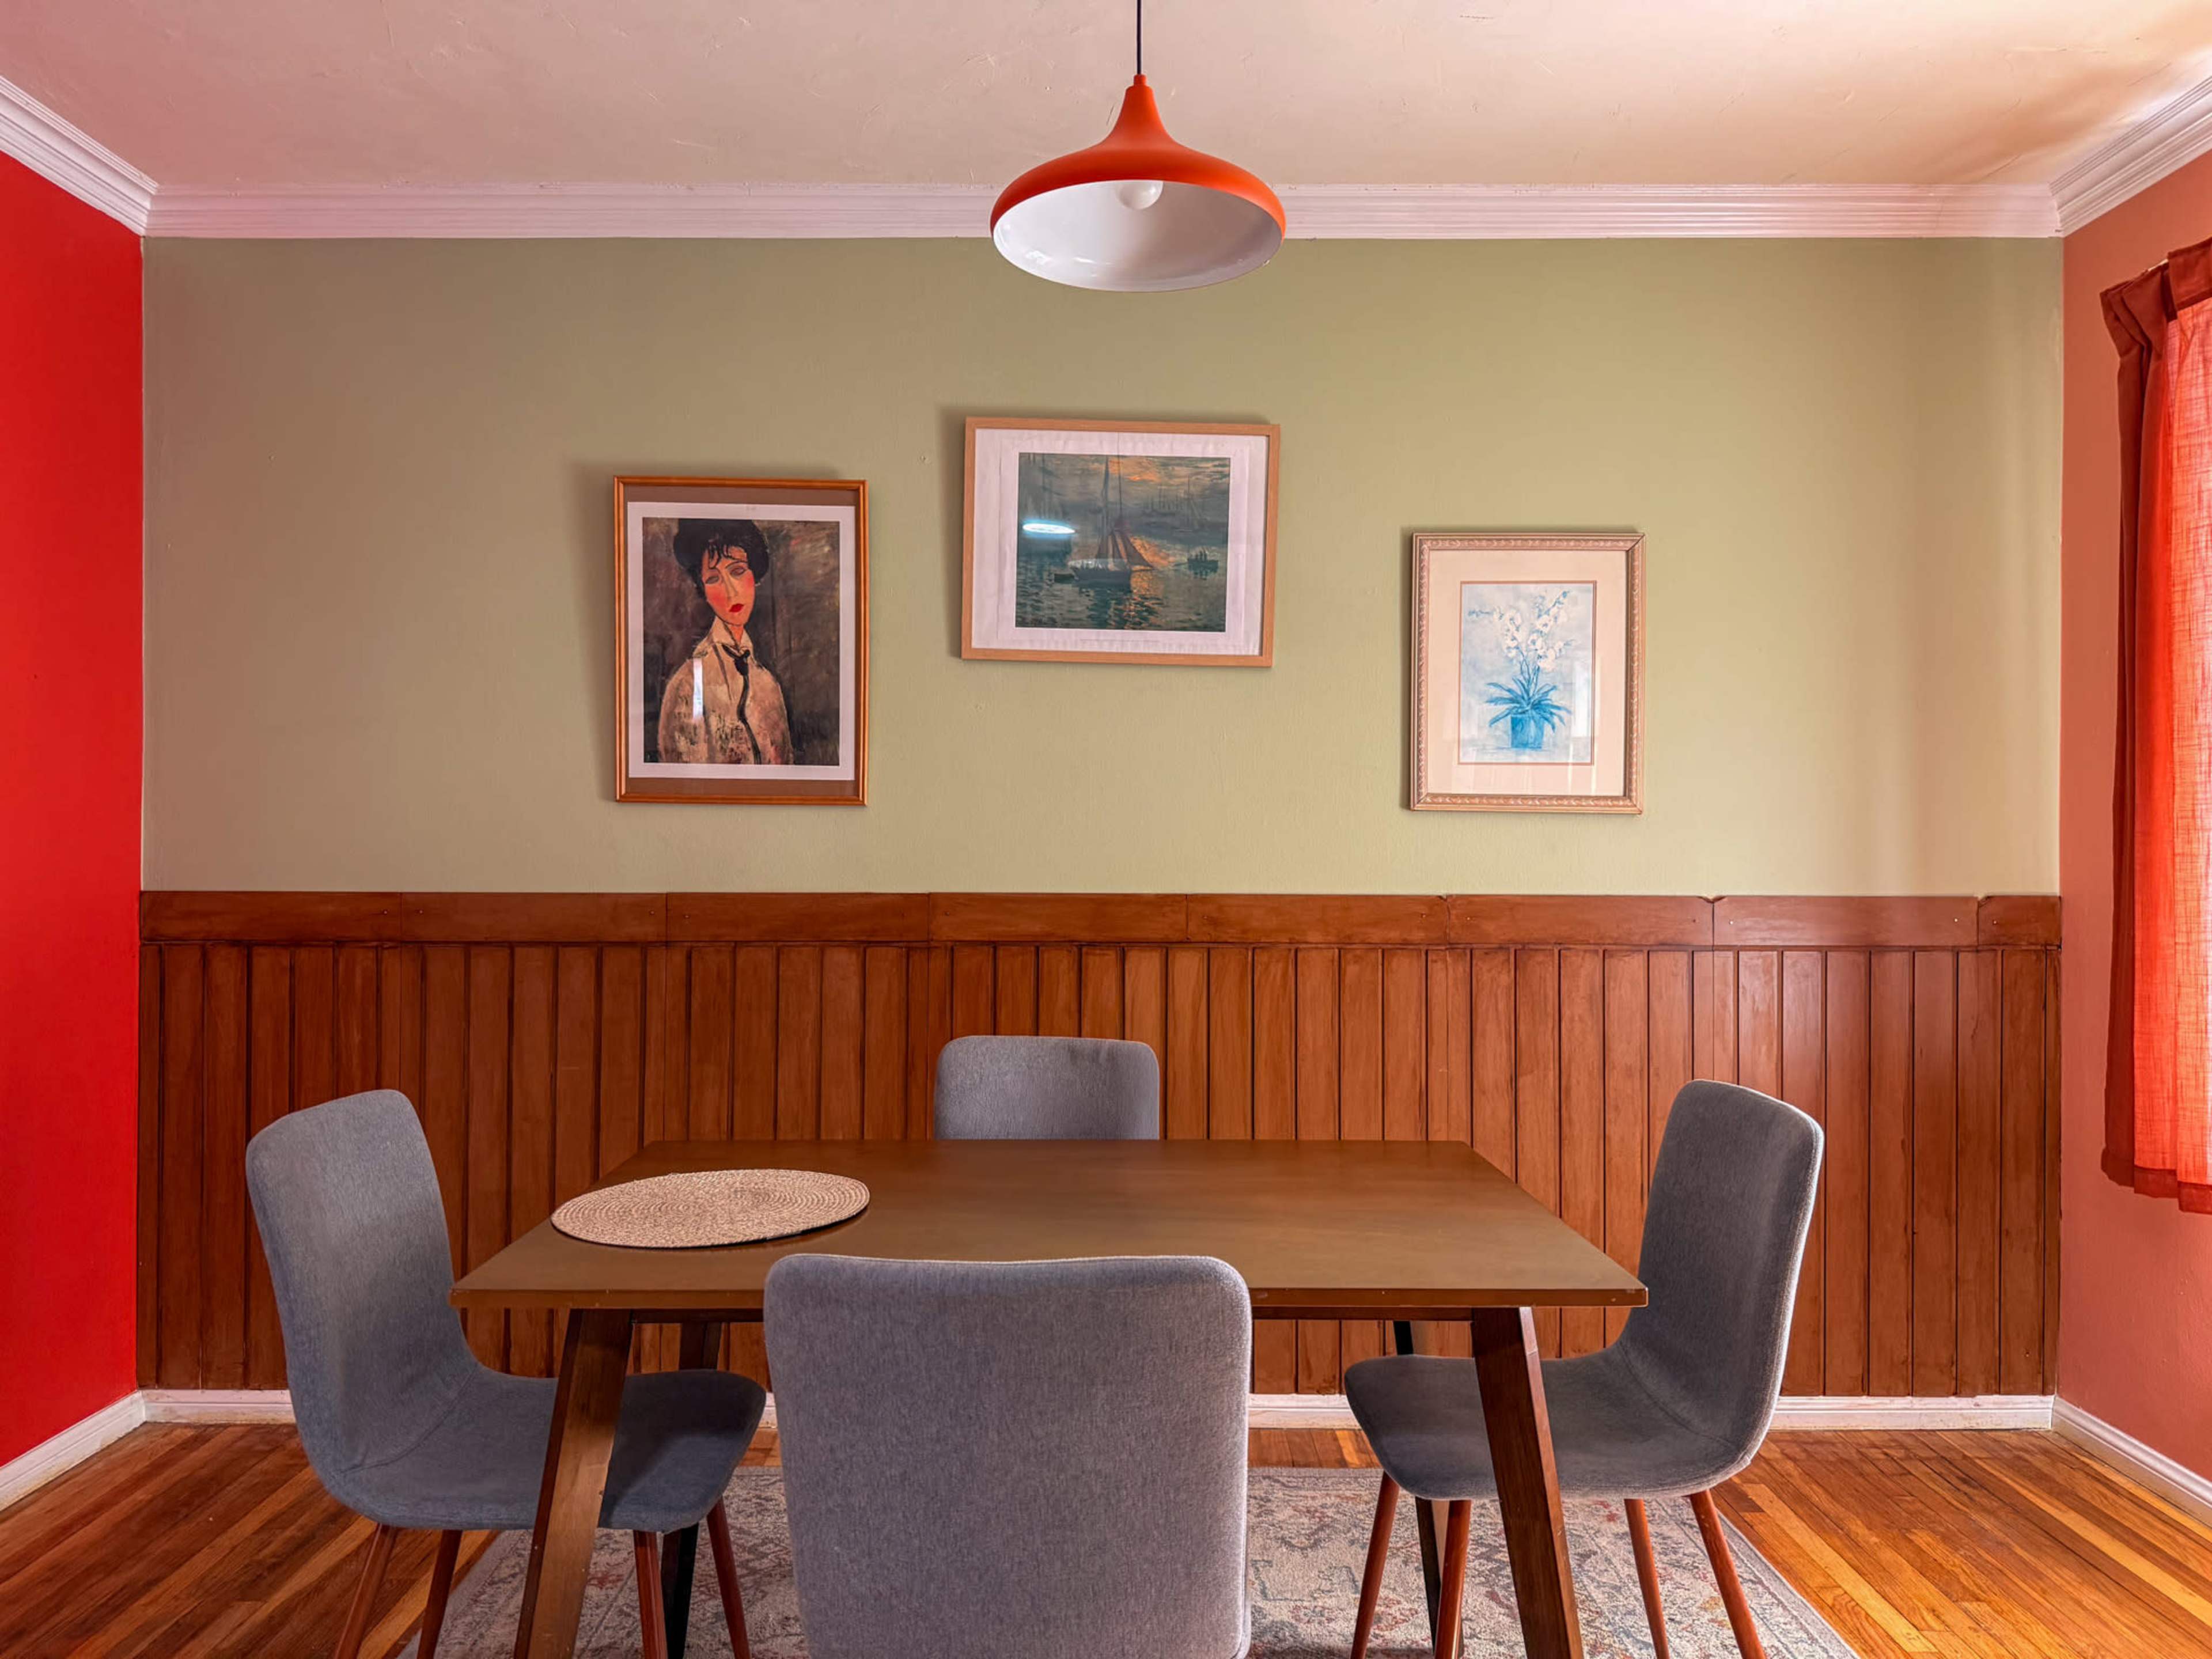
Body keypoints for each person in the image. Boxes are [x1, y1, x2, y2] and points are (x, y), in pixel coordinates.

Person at [657, 518, 794, 765]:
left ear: (755, 575)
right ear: (704, 591)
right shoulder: (687, 685)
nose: (730, 591)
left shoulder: (768, 685)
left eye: (738, 572)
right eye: (713, 579)